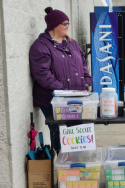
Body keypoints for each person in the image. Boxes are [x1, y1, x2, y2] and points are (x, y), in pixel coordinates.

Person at [29, 7, 92, 151]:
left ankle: (76, 165)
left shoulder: (71, 43)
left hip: (75, 97)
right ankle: (64, 166)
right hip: (52, 99)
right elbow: (42, 73)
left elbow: (83, 62)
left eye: (68, 23)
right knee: (62, 133)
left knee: (77, 133)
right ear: (53, 26)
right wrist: (62, 91)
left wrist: (87, 80)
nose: (67, 26)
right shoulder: (41, 45)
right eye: (64, 23)